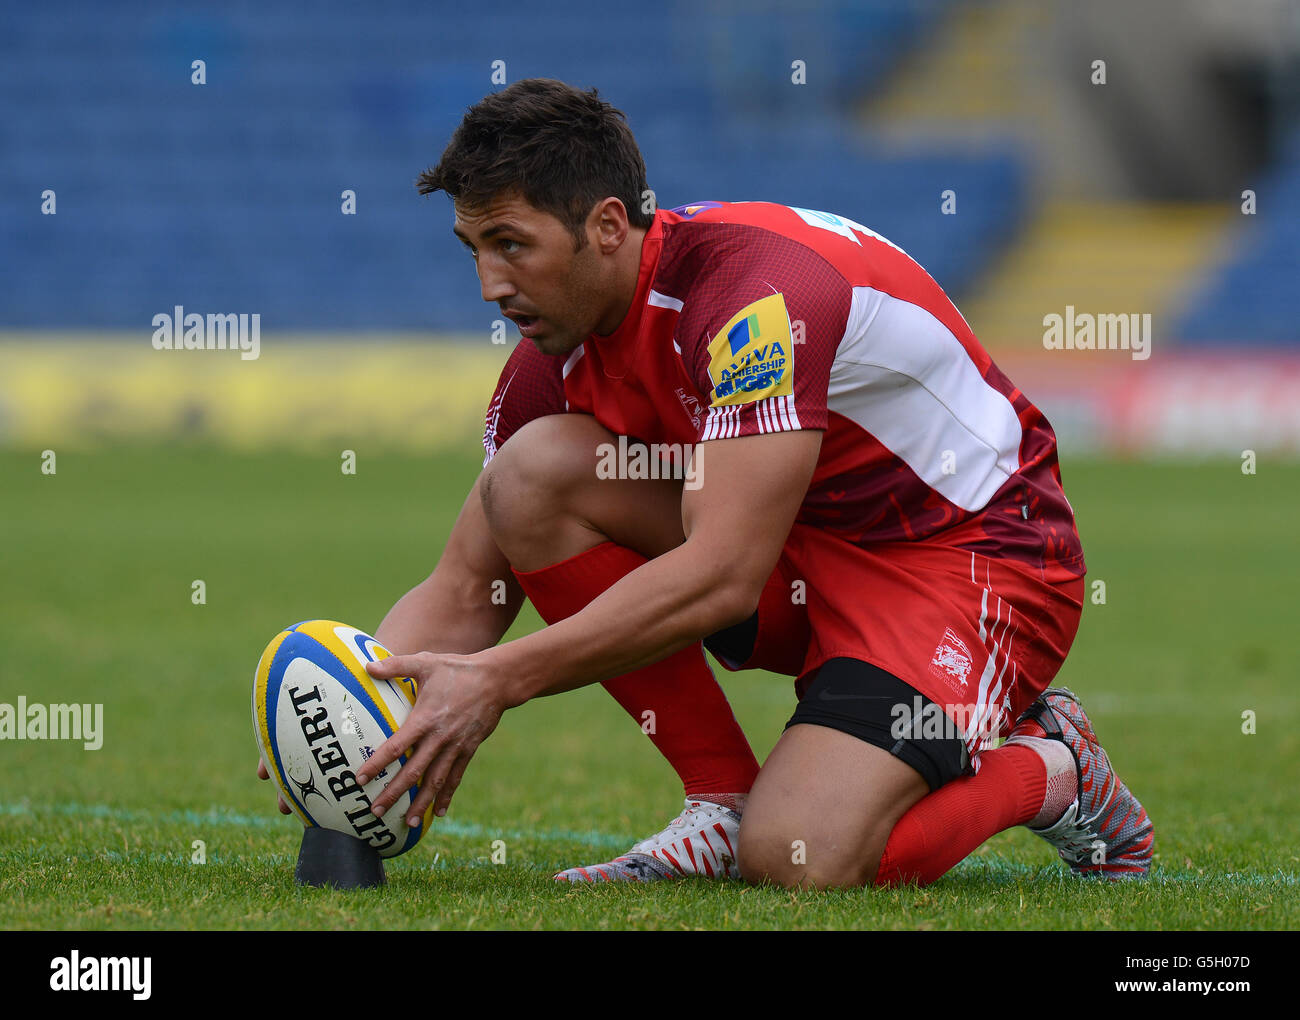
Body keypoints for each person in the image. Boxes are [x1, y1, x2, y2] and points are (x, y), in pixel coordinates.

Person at [267, 77, 1154, 888]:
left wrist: (498, 680)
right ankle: (721, 802)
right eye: (472, 248)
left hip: (971, 558)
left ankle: (1053, 767)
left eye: (511, 245)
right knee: (528, 480)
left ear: (608, 226)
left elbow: (725, 570)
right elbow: (469, 582)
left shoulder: (751, 301)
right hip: (799, 549)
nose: (490, 284)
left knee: (803, 857)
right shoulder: (551, 359)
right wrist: (352, 730)